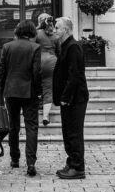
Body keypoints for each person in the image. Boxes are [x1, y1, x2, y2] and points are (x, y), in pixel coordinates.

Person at [0, 19, 41, 176]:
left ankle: (15, 158)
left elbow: (1, 71)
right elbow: (37, 72)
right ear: (31, 32)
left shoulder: (7, 47)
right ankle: (30, 162)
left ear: (17, 31)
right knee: (31, 126)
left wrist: (1, 91)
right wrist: (38, 91)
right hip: (29, 91)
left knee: (13, 126)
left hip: (11, 91)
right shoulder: (35, 47)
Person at [52, 16, 88, 180]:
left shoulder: (73, 47)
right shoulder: (65, 45)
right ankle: (71, 162)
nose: (54, 30)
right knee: (68, 132)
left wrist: (66, 97)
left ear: (66, 30)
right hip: (68, 98)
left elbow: (75, 75)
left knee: (74, 133)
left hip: (75, 98)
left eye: (57, 27)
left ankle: (78, 167)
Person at [35, 14, 59, 125]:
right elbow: (59, 50)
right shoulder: (55, 35)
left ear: (40, 21)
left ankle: (38, 102)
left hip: (39, 61)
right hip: (52, 61)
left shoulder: (37, 33)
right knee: (48, 87)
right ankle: (45, 116)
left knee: (36, 83)